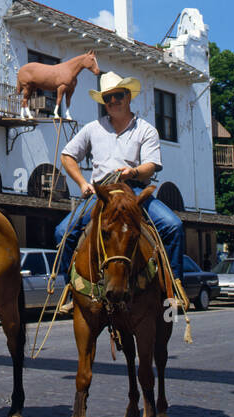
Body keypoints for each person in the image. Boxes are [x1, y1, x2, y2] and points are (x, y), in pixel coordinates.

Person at [54, 71, 184, 297]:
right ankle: (70, 288)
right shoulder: (92, 128)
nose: (113, 101)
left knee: (173, 226)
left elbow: (152, 165)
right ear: (104, 102)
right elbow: (67, 156)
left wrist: (132, 171)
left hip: (133, 190)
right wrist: (83, 183)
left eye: (118, 96)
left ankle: (173, 285)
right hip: (102, 193)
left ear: (128, 96)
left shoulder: (145, 129)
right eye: (108, 98)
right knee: (62, 232)